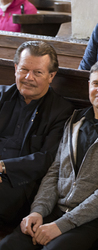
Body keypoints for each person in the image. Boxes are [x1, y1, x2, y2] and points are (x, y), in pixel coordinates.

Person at [0, 59, 98, 250]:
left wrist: (61, 226)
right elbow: (54, 171)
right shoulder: (75, 120)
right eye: (96, 83)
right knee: (8, 245)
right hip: (56, 210)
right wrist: (38, 211)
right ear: (88, 86)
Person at [0, 41, 74, 228]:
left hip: (21, 183)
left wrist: (2, 167)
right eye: (24, 69)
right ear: (15, 68)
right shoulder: (1, 95)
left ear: (51, 76)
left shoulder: (61, 110)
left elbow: (46, 158)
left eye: (37, 72)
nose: (28, 77)